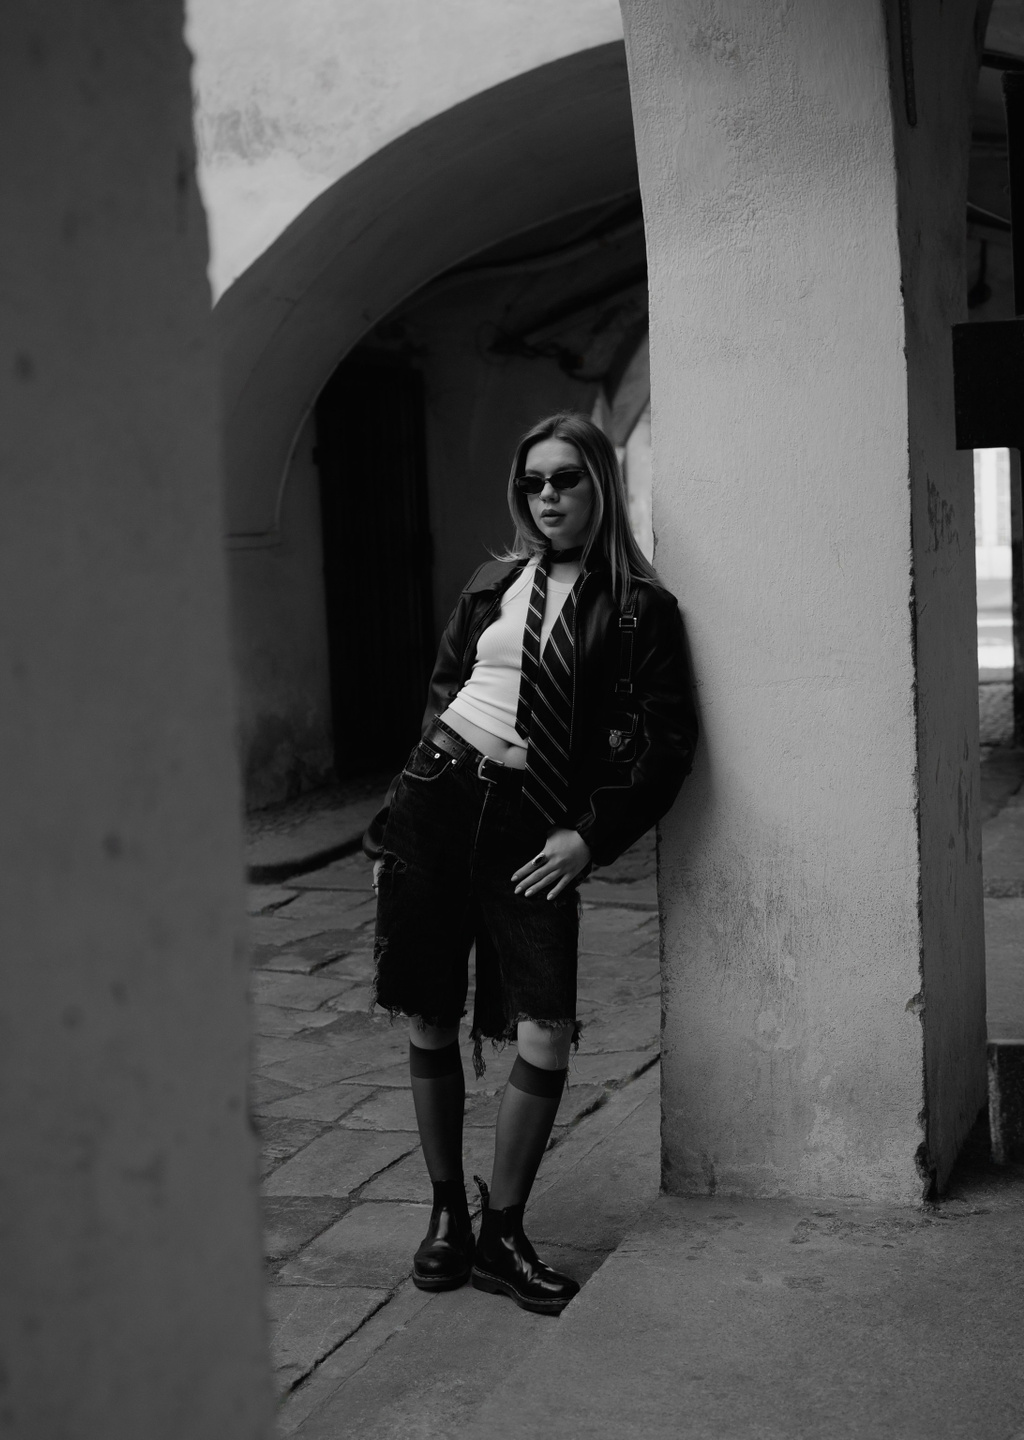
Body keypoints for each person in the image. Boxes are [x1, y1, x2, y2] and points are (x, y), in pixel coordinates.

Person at [364, 411, 697, 1315]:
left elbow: (666, 746)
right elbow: (444, 695)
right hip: (437, 799)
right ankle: (447, 1215)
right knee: (429, 1012)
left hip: (534, 824)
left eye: (565, 479)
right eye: (533, 483)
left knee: (544, 1026)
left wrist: (590, 835)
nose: (546, 496)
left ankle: (502, 1233)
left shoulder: (641, 608)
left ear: (600, 485)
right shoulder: (492, 583)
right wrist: (396, 818)